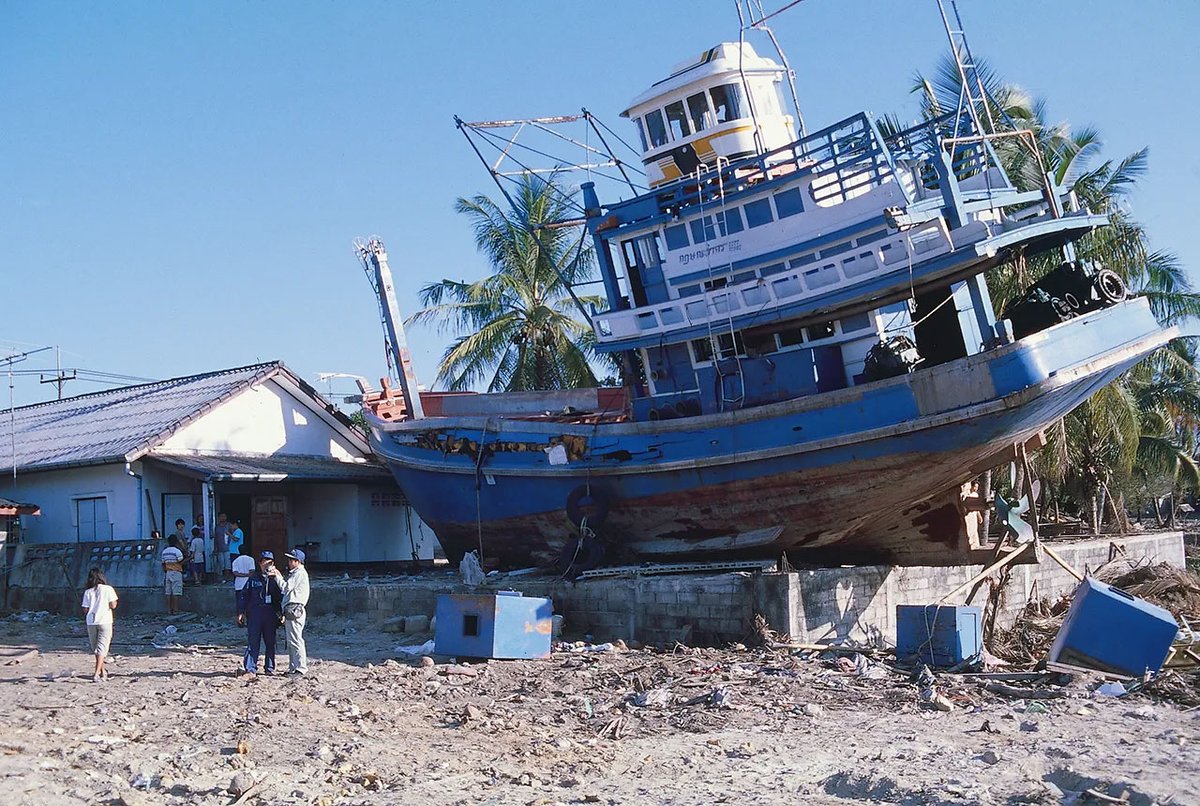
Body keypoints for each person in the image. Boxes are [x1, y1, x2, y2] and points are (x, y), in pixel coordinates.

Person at [236, 550, 283, 678]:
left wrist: (281, 613)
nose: (267, 565)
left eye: (270, 562)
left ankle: (269, 668)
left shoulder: (276, 579)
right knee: (253, 641)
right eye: (265, 562)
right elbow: (243, 596)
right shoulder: (253, 579)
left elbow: (281, 596)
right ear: (260, 563)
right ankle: (250, 668)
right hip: (255, 613)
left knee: (270, 642)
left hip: (270, 613)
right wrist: (241, 612)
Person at [269, 548, 310, 676]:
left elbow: (285, 587)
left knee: (296, 640)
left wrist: (276, 576)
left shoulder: (299, 573)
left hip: (295, 608)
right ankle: (293, 668)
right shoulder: (296, 573)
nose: (289, 562)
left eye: (292, 560)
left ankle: (301, 668)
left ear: (298, 561)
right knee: (291, 641)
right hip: (291, 608)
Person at [80, 567, 118, 682]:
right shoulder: (108, 589)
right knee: (102, 648)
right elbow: (113, 605)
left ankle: (103, 671)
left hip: (91, 621)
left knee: (96, 648)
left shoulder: (88, 592)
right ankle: (97, 673)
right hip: (105, 620)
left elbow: (85, 609)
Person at [161, 536, 185, 614]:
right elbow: (180, 561)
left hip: (168, 572)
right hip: (176, 572)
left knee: (168, 592)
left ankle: (169, 610)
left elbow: (163, 563)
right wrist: (189, 558)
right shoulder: (177, 551)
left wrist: (165, 570)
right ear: (176, 542)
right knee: (176, 592)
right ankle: (175, 610)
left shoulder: (164, 552)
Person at [213, 512, 231, 580]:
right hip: (219, 549)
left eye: (224, 516)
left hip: (228, 548)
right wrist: (215, 548)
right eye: (221, 516)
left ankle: (227, 578)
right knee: (221, 564)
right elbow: (216, 538)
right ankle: (223, 578)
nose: (223, 518)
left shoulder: (229, 525)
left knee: (227, 564)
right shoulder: (217, 527)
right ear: (218, 517)